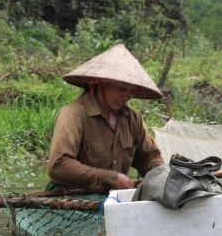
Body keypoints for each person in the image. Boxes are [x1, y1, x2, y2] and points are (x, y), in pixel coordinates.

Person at [46, 44, 164, 193]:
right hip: (70, 197)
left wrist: (159, 174)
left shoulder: (132, 119)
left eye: (131, 91)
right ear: (100, 84)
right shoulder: (73, 114)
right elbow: (58, 166)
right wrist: (111, 178)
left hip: (111, 197)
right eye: (121, 88)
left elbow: (149, 157)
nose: (127, 96)